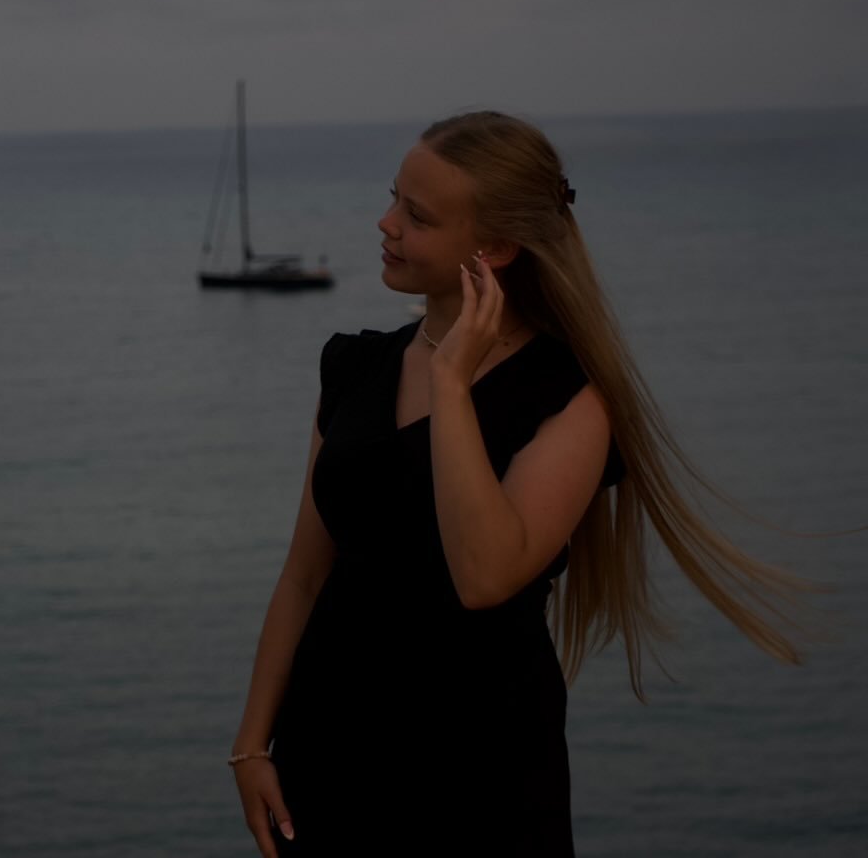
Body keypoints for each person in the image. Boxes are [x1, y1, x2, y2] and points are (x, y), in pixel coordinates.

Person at [229, 111, 811, 856]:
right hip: (327, 753)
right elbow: (305, 576)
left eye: (418, 216)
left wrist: (451, 380)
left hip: (480, 771)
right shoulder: (353, 368)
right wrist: (252, 745)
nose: (386, 223)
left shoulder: (571, 398)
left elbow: (484, 577)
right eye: (392, 198)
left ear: (496, 248)